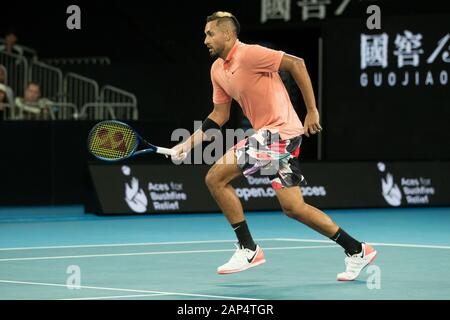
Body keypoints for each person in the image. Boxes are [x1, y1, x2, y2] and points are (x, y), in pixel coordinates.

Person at [171, 11, 377, 281]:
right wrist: (187, 144)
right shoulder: (217, 70)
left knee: (215, 178)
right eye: (204, 34)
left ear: (228, 34)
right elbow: (219, 115)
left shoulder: (250, 54)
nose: (205, 39)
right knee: (294, 208)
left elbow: (297, 64)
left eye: (210, 33)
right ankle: (357, 250)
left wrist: (312, 110)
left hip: (279, 133)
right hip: (274, 136)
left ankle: (248, 248)